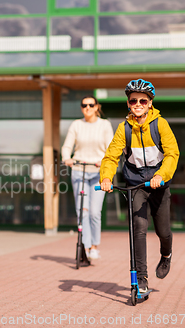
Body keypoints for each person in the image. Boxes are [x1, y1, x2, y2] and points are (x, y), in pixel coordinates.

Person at [99, 79, 179, 293]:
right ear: (128, 103)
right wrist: (106, 178)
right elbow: (110, 156)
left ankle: (166, 255)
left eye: (143, 100)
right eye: (133, 100)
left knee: (163, 231)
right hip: (136, 185)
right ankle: (141, 280)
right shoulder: (124, 128)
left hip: (159, 183)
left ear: (150, 103)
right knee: (139, 229)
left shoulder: (160, 124)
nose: (138, 104)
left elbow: (172, 154)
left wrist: (161, 175)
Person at [62, 96, 114, 260]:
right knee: (82, 211)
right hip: (80, 170)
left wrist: (103, 161)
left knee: (94, 212)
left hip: (98, 172)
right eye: (84, 105)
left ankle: (94, 246)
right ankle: (84, 247)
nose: (87, 108)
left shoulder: (104, 125)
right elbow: (67, 146)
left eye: (91, 105)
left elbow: (111, 148)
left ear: (97, 107)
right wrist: (66, 158)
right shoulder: (76, 125)